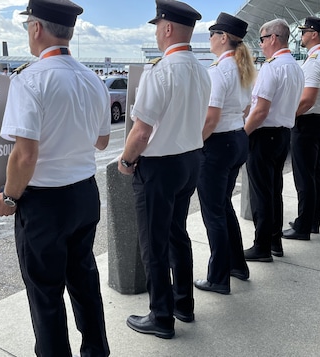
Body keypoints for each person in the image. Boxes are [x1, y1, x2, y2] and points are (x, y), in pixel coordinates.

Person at [0, 0, 110, 355]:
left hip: (44, 204)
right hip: (84, 195)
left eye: (28, 26)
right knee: (84, 280)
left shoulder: (30, 79)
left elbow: (24, 155)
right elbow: (101, 141)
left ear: (36, 28)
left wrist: (9, 199)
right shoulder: (92, 79)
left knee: (45, 293)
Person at [118, 0, 210, 340]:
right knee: (176, 234)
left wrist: (126, 161)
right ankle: (183, 304)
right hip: (189, 159)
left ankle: (161, 316)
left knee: (153, 244)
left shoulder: (161, 70)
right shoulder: (202, 69)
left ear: (168, 28)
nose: (157, 32)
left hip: (159, 166)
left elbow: (141, 131)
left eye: (158, 26)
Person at [193, 12, 254, 294]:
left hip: (218, 145)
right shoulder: (242, 68)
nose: (209, 39)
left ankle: (218, 278)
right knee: (224, 206)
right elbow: (244, 109)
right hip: (237, 139)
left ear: (223, 37)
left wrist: (195, 145)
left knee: (213, 212)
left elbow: (210, 118)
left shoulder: (219, 71)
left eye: (212, 34)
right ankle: (236, 264)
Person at [243, 18, 304, 259]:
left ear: (274, 38)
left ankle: (262, 246)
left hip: (264, 135)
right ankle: (275, 241)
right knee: (273, 190)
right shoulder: (295, 67)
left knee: (261, 193)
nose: (261, 44)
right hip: (282, 134)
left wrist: (243, 133)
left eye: (262, 39)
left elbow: (260, 110)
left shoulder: (272, 66)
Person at [283, 17, 320, 241]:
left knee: (304, 177)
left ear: (314, 34)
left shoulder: (315, 61)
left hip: (309, 122)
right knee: (316, 175)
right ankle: (311, 220)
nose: (302, 36)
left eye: (305, 32)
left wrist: (287, 116)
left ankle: (303, 226)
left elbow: (307, 100)